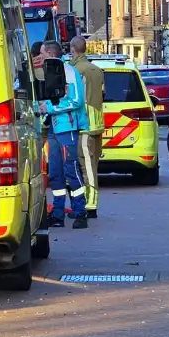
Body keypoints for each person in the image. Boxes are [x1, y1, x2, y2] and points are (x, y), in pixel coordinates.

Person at [35, 41, 88, 229]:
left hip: (67, 128)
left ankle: (81, 212)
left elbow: (76, 101)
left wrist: (48, 107)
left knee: (71, 170)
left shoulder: (69, 73)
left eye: (41, 54)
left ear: (50, 53)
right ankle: (58, 214)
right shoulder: (52, 73)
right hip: (54, 129)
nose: (39, 58)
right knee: (55, 173)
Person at [68, 36, 104, 219]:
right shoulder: (97, 70)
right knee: (93, 165)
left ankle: (90, 205)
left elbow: (75, 99)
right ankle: (89, 202)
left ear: (73, 49)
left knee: (86, 167)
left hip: (84, 127)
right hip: (97, 125)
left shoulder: (74, 70)